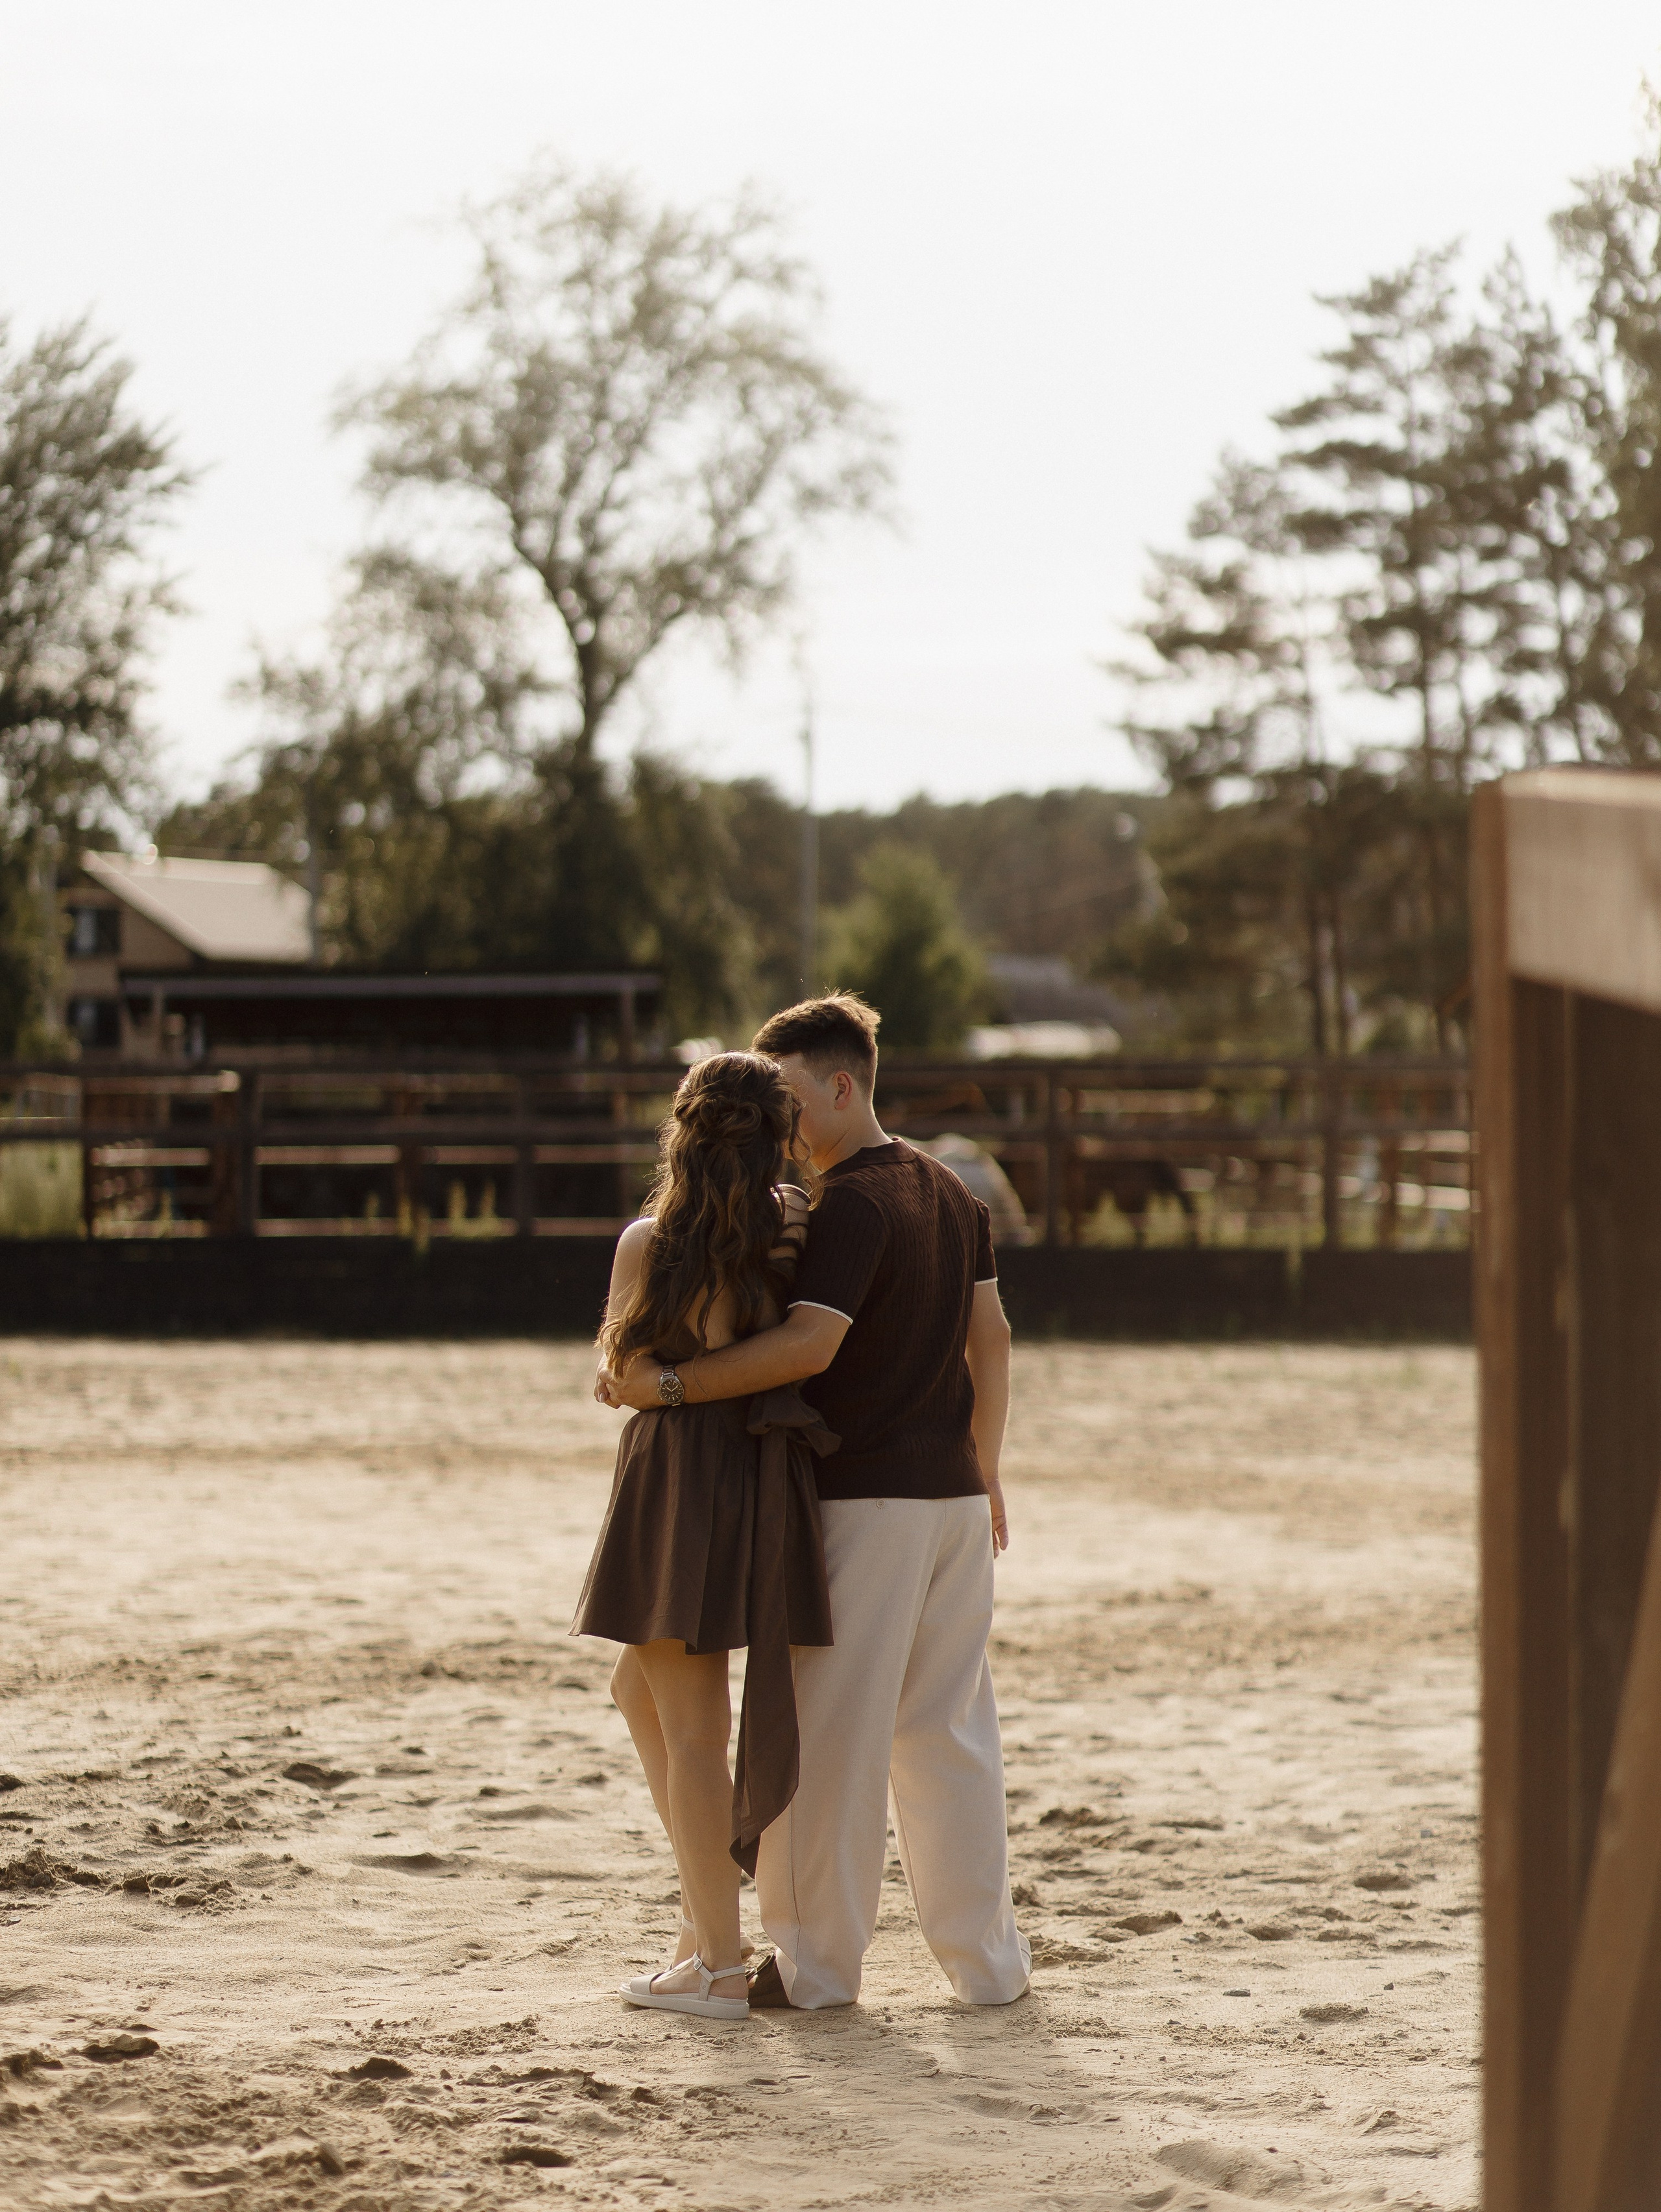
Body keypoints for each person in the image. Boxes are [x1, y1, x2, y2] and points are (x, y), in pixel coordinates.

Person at [598, 993, 1030, 2010]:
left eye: (791, 1098)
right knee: (949, 1736)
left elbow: (807, 1346)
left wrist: (663, 1386)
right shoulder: (951, 1191)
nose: (781, 1126)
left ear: (843, 1086)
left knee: (829, 1743)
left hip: (866, 1500)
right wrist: (989, 1460)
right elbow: (995, 1336)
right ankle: (987, 1966)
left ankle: (810, 1966)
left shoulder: (848, 1203)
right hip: (955, 1501)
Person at [573, 1051, 836, 2021]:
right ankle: (703, 1912)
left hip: (677, 1476)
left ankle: (720, 1966)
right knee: (638, 1688)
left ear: (682, 1135)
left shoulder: (651, 1242)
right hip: (754, 1474)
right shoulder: (791, 1233)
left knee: (691, 1727)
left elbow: (618, 1374)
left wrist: (651, 1372)